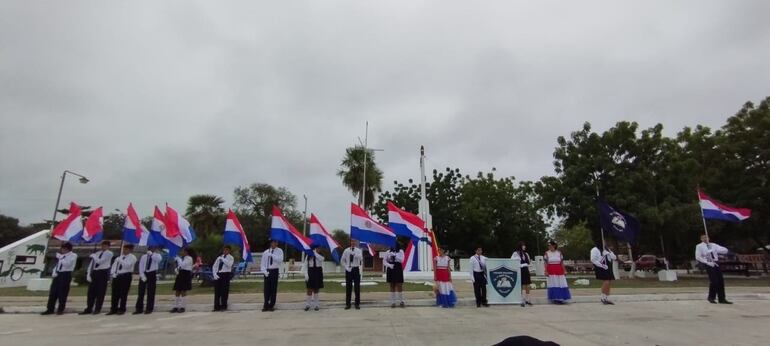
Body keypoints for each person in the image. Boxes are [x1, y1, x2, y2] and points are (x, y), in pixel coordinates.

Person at [695, 234, 732, 304]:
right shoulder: (699, 246)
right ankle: (711, 297)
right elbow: (698, 257)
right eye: (703, 238)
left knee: (720, 281)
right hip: (709, 263)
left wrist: (715, 249)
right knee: (714, 281)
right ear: (701, 239)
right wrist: (706, 261)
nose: (705, 239)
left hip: (716, 263)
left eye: (706, 237)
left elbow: (725, 250)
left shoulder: (713, 245)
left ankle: (722, 299)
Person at [42, 242, 77, 315]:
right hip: (58, 274)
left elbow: (67, 264)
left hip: (66, 274)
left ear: (67, 249)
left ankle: (60, 309)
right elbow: (58, 265)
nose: (62, 250)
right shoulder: (62, 256)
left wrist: (61, 257)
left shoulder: (73, 255)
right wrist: (54, 272)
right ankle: (50, 309)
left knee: (62, 292)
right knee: (53, 292)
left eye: (63, 249)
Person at [80, 240, 113, 315]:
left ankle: (97, 308)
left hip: (103, 272)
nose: (103, 247)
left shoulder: (109, 253)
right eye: (102, 245)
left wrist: (94, 256)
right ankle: (89, 308)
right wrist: (89, 273)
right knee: (91, 292)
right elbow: (92, 264)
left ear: (108, 246)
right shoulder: (97, 253)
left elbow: (100, 262)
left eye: (105, 246)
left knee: (100, 292)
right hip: (95, 272)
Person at [107, 244, 137, 315]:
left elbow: (127, 265)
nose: (124, 250)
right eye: (124, 249)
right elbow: (114, 266)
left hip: (126, 276)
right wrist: (113, 274)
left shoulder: (132, 257)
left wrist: (120, 260)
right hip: (117, 276)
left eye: (126, 249)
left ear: (130, 250)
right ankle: (113, 309)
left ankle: (122, 309)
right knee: (115, 293)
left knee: (123, 293)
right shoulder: (120, 257)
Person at [134, 246, 162, 314]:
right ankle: (139, 308)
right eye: (150, 248)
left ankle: (149, 308)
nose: (151, 249)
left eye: (153, 248)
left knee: (151, 292)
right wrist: (142, 275)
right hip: (144, 273)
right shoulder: (144, 256)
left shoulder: (157, 255)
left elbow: (158, 260)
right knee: (141, 292)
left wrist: (152, 254)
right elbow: (141, 265)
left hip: (152, 273)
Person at [260, 239, 283, 312]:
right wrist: (264, 271)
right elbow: (262, 263)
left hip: (274, 270)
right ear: (270, 243)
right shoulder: (266, 252)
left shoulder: (279, 251)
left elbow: (280, 260)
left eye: (275, 242)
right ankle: (265, 304)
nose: (274, 243)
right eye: (273, 242)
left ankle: (271, 305)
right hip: (267, 271)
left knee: (273, 288)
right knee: (266, 289)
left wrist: (272, 255)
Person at [341, 239, 363, 310]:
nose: (353, 243)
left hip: (356, 269)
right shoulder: (346, 250)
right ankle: (348, 304)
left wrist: (355, 255)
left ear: (356, 243)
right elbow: (342, 260)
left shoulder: (358, 250)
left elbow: (361, 258)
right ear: (350, 242)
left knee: (357, 287)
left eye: (354, 241)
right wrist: (346, 267)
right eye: (351, 241)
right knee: (348, 287)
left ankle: (357, 304)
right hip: (349, 270)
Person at [171, 248, 195, 313]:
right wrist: (177, 269)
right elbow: (180, 267)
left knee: (183, 290)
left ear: (186, 252)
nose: (182, 252)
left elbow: (182, 265)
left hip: (186, 274)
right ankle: (176, 306)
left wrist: (178, 259)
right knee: (177, 290)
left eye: (183, 251)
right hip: (181, 274)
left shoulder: (189, 258)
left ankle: (183, 307)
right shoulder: (183, 258)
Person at [212, 245, 235, 311]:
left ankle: (223, 306)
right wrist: (215, 274)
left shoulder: (231, 257)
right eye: (224, 250)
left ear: (229, 251)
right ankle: (216, 306)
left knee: (224, 291)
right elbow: (214, 266)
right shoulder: (219, 257)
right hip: (219, 274)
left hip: (226, 274)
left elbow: (229, 265)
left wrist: (223, 259)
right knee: (217, 292)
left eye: (226, 250)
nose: (224, 251)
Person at [302, 244, 325, 311]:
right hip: (311, 271)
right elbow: (305, 265)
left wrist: (315, 253)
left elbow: (322, 259)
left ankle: (316, 305)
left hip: (318, 271)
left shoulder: (321, 255)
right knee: (309, 289)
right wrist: (306, 274)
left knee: (316, 289)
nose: (318, 249)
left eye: (318, 248)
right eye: (316, 248)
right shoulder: (308, 255)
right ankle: (307, 305)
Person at [511, 241, 533, 307]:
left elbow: (529, 262)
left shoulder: (526, 254)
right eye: (523, 245)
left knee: (528, 285)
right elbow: (513, 261)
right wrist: (521, 265)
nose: (524, 246)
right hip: (520, 270)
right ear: (520, 246)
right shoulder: (515, 253)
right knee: (523, 285)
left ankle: (528, 299)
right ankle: (522, 300)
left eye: (524, 245)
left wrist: (527, 265)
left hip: (526, 270)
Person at [384, 244, 405, 308]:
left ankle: (401, 301)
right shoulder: (388, 252)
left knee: (399, 284)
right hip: (391, 268)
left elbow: (402, 260)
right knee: (392, 285)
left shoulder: (401, 251)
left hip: (398, 267)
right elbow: (384, 261)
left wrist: (395, 256)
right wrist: (389, 265)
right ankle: (393, 302)